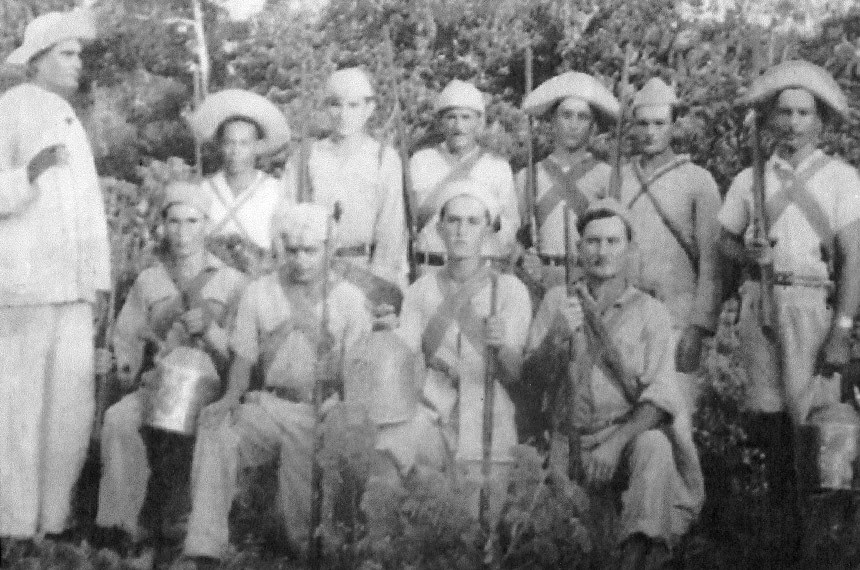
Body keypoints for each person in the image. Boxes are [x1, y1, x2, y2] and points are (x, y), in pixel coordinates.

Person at [175, 203, 372, 567]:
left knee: (303, 539)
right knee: (217, 427)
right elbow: (243, 358)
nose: (301, 260)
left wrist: (345, 416)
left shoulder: (349, 300)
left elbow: (356, 374)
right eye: (292, 250)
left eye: (311, 250)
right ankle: (203, 546)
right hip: (269, 406)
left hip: (319, 411)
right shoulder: (260, 292)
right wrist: (230, 399)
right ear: (281, 247)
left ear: (328, 248)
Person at [524, 199, 704, 570]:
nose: (601, 251)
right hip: (567, 438)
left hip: (622, 437)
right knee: (570, 545)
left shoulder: (650, 312)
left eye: (612, 242)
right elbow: (531, 381)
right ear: (578, 249)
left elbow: (659, 397)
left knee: (655, 445)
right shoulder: (558, 301)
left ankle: (639, 559)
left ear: (628, 250)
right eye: (592, 242)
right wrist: (556, 335)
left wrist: (616, 444)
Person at [717, 60, 860, 511]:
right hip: (760, 306)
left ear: (820, 121)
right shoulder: (749, 179)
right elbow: (724, 241)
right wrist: (748, 255)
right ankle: (778, 530)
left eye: (804, 113)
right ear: (770, 119)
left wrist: (841, 329)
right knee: (769, 421)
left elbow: (856, 256)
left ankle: (821, 532)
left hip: (811, 304)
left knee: (816, 426)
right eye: (784, 112)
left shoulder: (841, 179)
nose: (793, 123)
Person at [0, 9, 111, 542]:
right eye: (67, 53)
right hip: (24, 289)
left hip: (72, 290)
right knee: (18, 408)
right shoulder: (11, 108)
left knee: (70, 409)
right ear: (37, 61)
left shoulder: (69, 117)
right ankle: (14, 525)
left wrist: (99, 281)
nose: (77, 63)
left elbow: (88, 215)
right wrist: (28, 173)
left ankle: (55, 520)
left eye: (79, 53)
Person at [94, 182, 248, 563]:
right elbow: (126, 340)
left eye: (192, 222)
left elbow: (247, 354)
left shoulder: (231, 281)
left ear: (206, 225)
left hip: (211, 388)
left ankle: (188, 536)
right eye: (174, 222)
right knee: (118, 419)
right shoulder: (149, 280)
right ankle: (125, 530)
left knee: (198, 422)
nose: (182, 233)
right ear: (162, 225)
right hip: (161, 384)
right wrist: (126, 368)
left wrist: (211, 333)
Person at [396, 178, 532, 518]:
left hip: (488, 414)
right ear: (440, 228)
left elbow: (515, 376)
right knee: (425, 513)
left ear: (488, 229)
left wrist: (500, 348)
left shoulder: (510, 291)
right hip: (430, 412)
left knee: (479, 526)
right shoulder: (420, 291)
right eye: (453, 221)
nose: (461, 231)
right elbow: (406, 366)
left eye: (473, 222)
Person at [617, 77, 722, 400]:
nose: (650, 132)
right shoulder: (618, 179)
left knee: (676, 417)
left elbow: (711, 262)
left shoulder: (698, 181)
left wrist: (699, 327)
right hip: (625, 317)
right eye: (643, 123)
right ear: (632, 126)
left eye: (659, 124)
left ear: (673, 125)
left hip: (677, 316)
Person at [284, 67, 407, 289]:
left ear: (369, 108)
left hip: (364, 269)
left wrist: (379, 284)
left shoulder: (384, 158)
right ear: (325, 107)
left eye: (353, 105)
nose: (343, 114)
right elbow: (288, 216)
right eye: (335, 104)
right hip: (313, 270)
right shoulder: (306, 156)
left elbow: (391, 229)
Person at [517, 71, 618, 287]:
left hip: (590, 280)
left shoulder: (606, 175)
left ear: (593, 127)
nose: (573, 124)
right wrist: (523, 258)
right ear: (552, 121)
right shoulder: (528, 176)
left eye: (583, 118)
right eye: (566, 115)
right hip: (538, 279)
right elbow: (514, 239)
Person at [409, 80, 520, 274]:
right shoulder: (421, 161)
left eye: (466, 117)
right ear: (440, 122)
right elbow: (408, 222)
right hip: (430, 268)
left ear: (480, 122)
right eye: (451, 117)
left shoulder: (497, 166)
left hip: (479, 272)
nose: (458, 126)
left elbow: (509, 230)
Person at [187, 89, 291, 274]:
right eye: (229, 143)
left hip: (258, 280)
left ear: (257, 147)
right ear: (220, 145)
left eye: (244, 144)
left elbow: (283, 249)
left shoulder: (274, 189)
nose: (235, 151)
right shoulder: (204, 189)